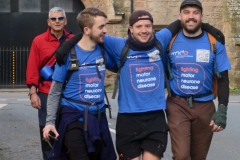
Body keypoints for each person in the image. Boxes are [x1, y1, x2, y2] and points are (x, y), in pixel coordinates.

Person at [55, 9, 224, 160]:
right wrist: (66, 45)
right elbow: (90, 32)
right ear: (130, 29)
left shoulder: (160, 40)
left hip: (155, 118)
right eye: (138, 26)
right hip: (128, 119)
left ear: (153, 28)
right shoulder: (119, 45)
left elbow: (185, 22)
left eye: (148, 26)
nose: (144, 30)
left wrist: (211, 29)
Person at [42, 7, 117, 160]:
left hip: (98, 117)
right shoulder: (68, 55)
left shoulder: (103, 51)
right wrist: (49, 122)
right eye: (101, 27)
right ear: (87, 30)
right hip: (73, 117)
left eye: (105, 25)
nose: (106, 30)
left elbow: (122, 65)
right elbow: (55, 91)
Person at [166, 0, 231, 159]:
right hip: (177, 105)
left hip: (205, 106)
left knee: (199, 157)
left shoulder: (214, 41)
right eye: (186, 12)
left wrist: (222, 109)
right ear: (179, 16)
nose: (191, 16)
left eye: (195, 12)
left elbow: (223, 78)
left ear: (202, 16)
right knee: (181, 156)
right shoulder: (170, 41)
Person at [25, 7, 73, 160]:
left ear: (65, 21)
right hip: (46, 93)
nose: (57, 21)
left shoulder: (74, 40)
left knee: (70, 132)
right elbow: (32, 68)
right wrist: (33, 93)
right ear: (48, 22)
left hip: (69, 93)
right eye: (54, 19)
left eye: (60, 18)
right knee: (48, 133)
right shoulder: (38, 41)